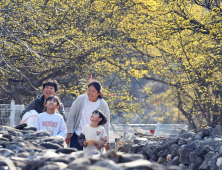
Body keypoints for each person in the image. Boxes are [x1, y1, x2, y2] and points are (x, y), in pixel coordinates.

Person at [66, 80, 110, 150]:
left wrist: (107, 141)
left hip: (94, 139)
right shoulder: (80, 99)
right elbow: (71, 116)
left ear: (99, 93)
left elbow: (106, 124)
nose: (90, 93)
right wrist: (68, 132)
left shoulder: (103, 104)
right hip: (78, 135)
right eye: (89, 90)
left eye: (93, 91)